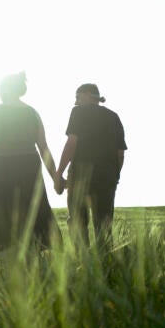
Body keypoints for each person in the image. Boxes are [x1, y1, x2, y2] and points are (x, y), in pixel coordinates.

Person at [0, 72, 62, 254]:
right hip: (29, 167)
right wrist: (55, 177)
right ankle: (38, 260)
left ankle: (9, 263)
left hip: (2, 168)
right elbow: (44, 148)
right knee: (34, 212)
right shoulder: (32, 113)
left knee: (2, 214)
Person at [55, 83, 127, 256]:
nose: (75, 101)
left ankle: (82, 264)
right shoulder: (114, 117)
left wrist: (59, 172)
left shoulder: (78, 112)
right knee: (104, 226)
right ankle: (106, 265)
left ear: (87, 95)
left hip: (80, 177)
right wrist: (115, 176)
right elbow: (120, 154)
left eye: (77, 97)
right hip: (106, 179)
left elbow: (71, 143)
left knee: (78, 223)